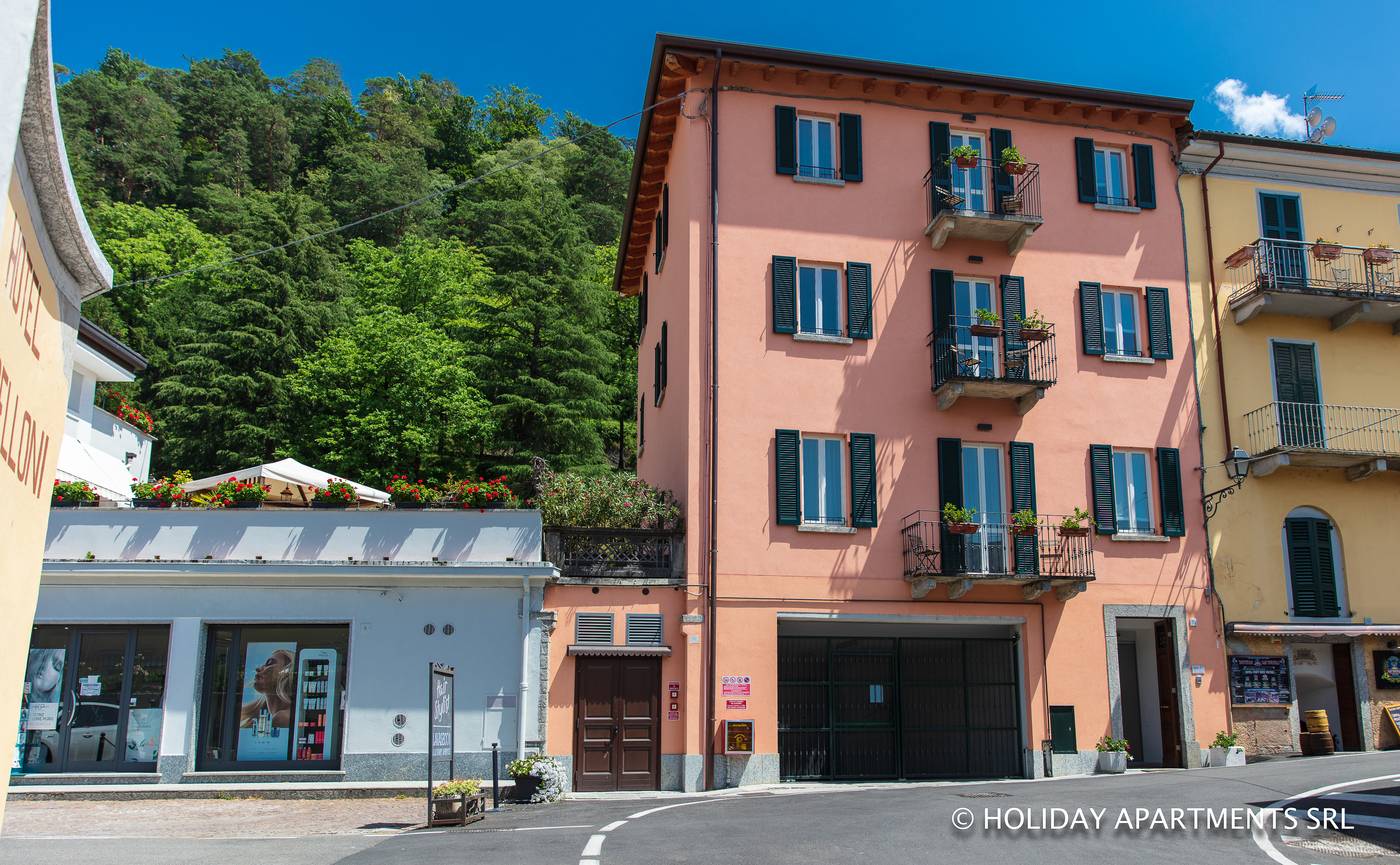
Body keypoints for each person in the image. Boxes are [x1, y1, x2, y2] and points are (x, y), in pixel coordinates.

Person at [240, 649, 295, 729]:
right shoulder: (273, 716)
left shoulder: (282, 718)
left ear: (287, 672)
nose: (258, 669)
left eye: (269, 663)